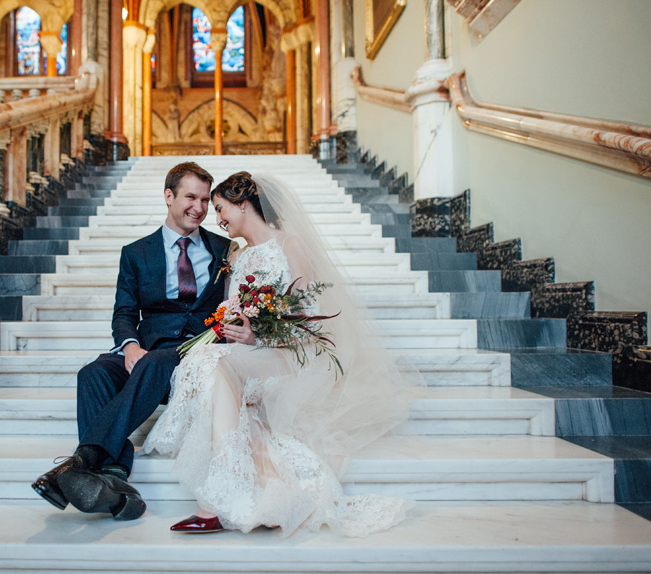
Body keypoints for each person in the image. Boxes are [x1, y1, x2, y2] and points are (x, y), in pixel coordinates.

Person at [142, 171, 425, 536]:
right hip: (249, 356)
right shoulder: (237, 256)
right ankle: (251, 492)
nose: (218, 218)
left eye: (220, 208)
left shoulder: (290, 244)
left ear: (243, 204)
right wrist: (238, 329)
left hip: (288, 357)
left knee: (211, 363)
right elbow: (236, 312)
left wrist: (258, 331)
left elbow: (310, 318)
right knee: (211, 364)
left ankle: (216, 501)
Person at [32, 162, 232, 520]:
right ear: (169, 196)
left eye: (205, 200)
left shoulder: (225, 250)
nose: (199, 208)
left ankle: (82, 463)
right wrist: (130, 346)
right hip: (148, 352)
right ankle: (115, 481)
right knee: (92, 373)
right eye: (191, 197)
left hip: (200, 354)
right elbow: (124, 313)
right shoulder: (136, 253)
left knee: (156, 362)